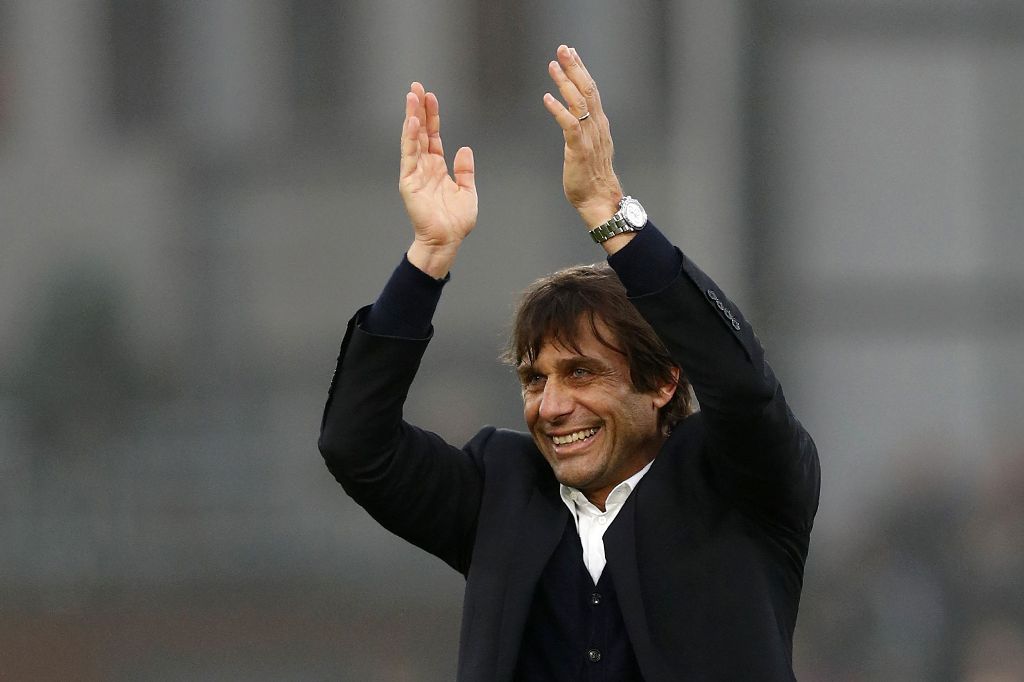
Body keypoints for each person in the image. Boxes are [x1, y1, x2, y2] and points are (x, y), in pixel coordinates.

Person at [319, 44, 820, 681]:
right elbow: (355, 445)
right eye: (535, 379)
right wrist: (427, 258)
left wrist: (611, 215)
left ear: (664, 382)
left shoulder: (740, 482)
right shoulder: (501, 489)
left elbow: (744, 389)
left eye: (581, 373)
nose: (551, 406)